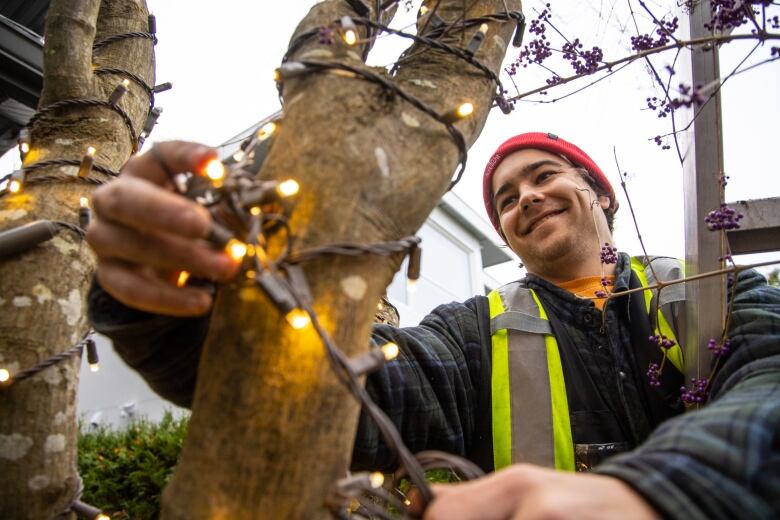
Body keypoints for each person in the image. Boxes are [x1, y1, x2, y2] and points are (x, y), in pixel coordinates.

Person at [86, 133, 780, 519]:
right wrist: (156, 306)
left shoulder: (710, 289)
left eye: (543, 176)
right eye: (507, 200)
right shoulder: (474, 334)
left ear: (600, 191)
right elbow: (311, 398)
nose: (526, 197)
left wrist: (660, 493)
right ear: (508, 237)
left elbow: (771, 378)